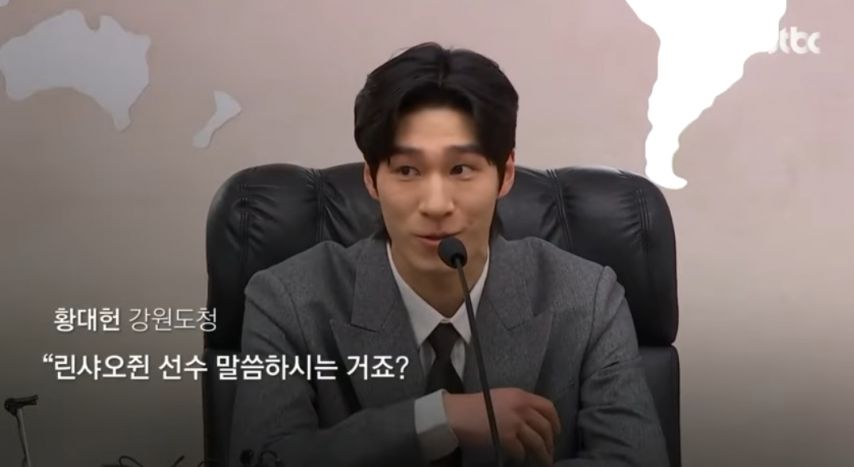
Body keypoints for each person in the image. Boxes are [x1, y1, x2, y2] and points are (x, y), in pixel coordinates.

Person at [229, 42, 669, 467]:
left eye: (461, 169)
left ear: (505, 175)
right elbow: (264, 457)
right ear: (371, 180)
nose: (436, 204)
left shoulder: (588, 298)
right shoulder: (287, 300)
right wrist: (436, 420)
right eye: (407, 170)